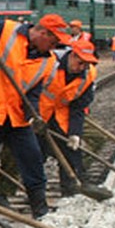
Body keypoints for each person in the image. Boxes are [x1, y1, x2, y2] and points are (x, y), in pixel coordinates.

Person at [0, 13, 70, 219]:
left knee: (33, 158)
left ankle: (40, 207)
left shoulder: (48, 61)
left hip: (16, 117)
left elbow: (32, 94)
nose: (54, 47)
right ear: (42, 33)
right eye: (53, 42)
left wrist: (33, 116)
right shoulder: (5, 31)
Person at [38, 39, 97, 196]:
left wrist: (74, 133)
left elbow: (78, 108)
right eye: (80, 62)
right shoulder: (49, 63)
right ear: (72, 55)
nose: (82, 67)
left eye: (86, 64)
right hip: (37, 114)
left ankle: (70, 189)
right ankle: (28, 192)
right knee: (33, 154)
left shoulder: (88, 76)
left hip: (60, 116)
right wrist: (30, 116)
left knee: (70, 151)